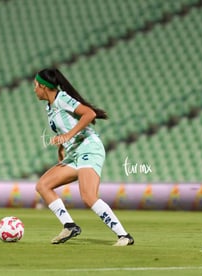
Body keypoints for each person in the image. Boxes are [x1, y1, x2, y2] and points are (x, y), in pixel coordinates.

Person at [33, 68, 134, 246]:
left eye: (35, 85)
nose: (34, 89)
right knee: (43, 185)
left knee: (88, 196)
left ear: (43, 86)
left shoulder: (61, 98)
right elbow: (64, 132)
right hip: (74, 154)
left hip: (89, 148)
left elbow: (89, 114)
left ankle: (124, 236)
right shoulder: (49, 107)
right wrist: (61, 148)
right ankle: (69, 226)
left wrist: (68, 136)